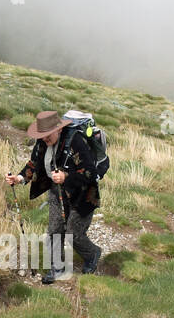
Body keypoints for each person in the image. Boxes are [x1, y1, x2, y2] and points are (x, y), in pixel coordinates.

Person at [6, 111, 102, 283]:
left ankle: (92, 253)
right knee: (54, 230)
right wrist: (19, 178)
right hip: (56, 191)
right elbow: (34, 163)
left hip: (83, 194)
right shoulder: (43, 142)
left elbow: (89, 171)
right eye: (41, 135)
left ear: (58, 129)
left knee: (74, 233)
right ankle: (57, 267)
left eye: (47, 135)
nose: (44, 139)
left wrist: (66, 177)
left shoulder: (75, 141)